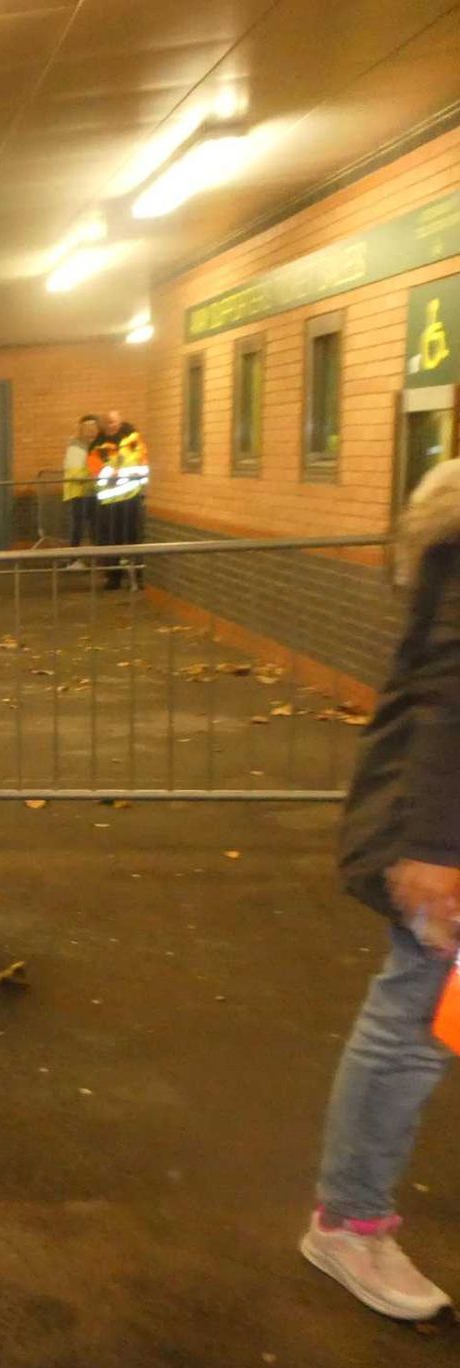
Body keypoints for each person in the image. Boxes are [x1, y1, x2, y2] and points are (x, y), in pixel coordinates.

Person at [305, 458, 460, 1322]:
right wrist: (435, 846)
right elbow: (450, 690)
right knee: (415, 1020)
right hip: (445, 832)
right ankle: (350, 1221)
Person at [89, 409, 148, 590]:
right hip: (110, 502)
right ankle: (113, 577)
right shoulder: (97, 446)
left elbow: (143, 461)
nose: (111, 426)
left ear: (120, 421)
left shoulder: (132, 438)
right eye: (108, 423)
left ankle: (137, 577)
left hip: (132, 498)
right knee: (111, 540)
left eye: (114, 421)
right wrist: (109, 473)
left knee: (134, 539)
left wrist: (120, 474)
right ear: (103, 425)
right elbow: (95, 469)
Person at [62, 413, 100, 566]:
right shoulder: (76, 448)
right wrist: (94, 475)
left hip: (93, 492)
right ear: (81, 429)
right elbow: (74, 472)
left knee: (95, 527)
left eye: (94, 428)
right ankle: (73, 560)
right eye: (87, 428)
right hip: (79, 493)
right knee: (78, 528)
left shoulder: (96, 446)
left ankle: (97, 558)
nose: (91, 431)